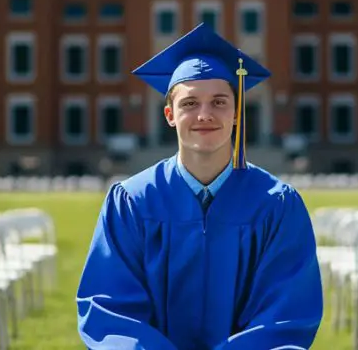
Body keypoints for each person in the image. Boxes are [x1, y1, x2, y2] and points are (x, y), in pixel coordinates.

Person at [76, 24, 323, 350]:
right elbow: (110, 308)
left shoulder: (277, 205)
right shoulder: (132, 202)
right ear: (170, 115)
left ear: (237, 113)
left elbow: (285, 313)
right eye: (190, 103)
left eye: (219, 102)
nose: (204, 114)